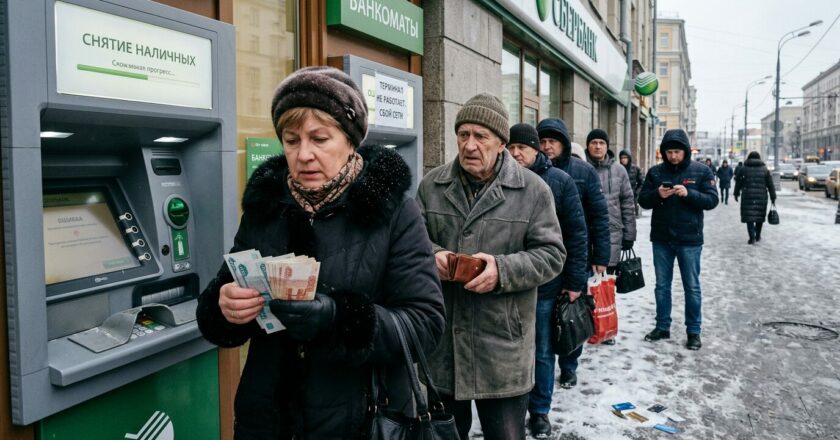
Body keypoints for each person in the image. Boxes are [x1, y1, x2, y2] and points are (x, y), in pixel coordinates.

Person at [196, 66, 446, 439]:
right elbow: (222, 295)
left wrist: (336, 318)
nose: (304, 155)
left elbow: (425, 324)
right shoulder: (267, 207)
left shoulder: (393, 212)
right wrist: (225, 306)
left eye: (320, 139)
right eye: (291, 140)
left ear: (350, 141)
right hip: (267, 420)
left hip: (359, 421)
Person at [417, 93, 566, 440]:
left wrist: (501, 270)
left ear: (501, 142)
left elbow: (552, 255)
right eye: (463, 134)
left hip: (502, 345)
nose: (470, 145)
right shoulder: (432, 186)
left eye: (480, 136)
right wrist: (433, 255)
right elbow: (411, 242)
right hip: (445, 346)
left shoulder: (534, 191)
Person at [507, 123, 588, 439]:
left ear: (536, 150)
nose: (516, 153)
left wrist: (575, 281)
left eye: (523, 148)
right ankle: (510, 404)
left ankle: (539, 411)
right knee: (510, 349)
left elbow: (577, 234)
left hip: (547, 286)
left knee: (541, 351)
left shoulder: (560, 182)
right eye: (511, 147)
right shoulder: (498, 178)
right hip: (508, 284)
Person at [536, 118, 610, 389]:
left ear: (564, 144)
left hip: (576, 257)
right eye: (542, 142)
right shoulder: (532, 172)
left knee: (571, 315)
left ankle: (569, 365)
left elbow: (599, 217)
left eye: (552, 142)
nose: (546, 147)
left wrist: (601, 257)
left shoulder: (583, 172)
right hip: (543, 262)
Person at [638, 129, 718, 351]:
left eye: (677, 151)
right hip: (662, 238)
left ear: (685, 151)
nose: (673, 156)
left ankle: (694, 331)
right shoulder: (655, 172)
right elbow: (643, 200)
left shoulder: (701, 171)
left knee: (691, 287)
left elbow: (712, 200)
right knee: (662, 286)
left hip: (690, 239)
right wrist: (657, 195)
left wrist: (689, 193)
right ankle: (662, 326)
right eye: (669, 151)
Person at [585, 129, 637, 274]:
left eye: (601, 143)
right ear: (588, 145)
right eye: (594, 143)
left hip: (612, 233)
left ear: (607, 146)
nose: (597, 146)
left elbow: (627, 204)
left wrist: (629, 236)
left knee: (606, 287)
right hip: (585, 235)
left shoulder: (619, 170)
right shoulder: (580, 166)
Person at [733, 151, 776, 244]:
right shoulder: (765, 169)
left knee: (749, 217)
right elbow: (770, 185)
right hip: (761, 197)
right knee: (759, 217)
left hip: (747, 196)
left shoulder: (743, 169)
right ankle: (757, 236)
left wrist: (736, 193)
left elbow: (738, 183)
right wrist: (773, 196)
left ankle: (752, 237)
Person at [619, 149, 645, 217]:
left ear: (629, 158)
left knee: (631, 217)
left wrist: (636, 192)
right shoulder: (618, 168)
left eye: (625, 157)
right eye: (622, 158)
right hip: (620, 196)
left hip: (632, 196)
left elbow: (642, 183)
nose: (623, 159)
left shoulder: (635, 168)